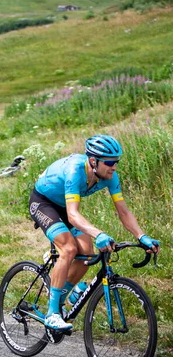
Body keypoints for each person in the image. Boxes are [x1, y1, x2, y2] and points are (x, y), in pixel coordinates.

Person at [28, 134, 160, 331]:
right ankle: (52, 313)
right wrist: (99, 233)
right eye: (109, 162)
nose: (114, 167)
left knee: (87, 253)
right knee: (69, 248)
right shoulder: (75, 170)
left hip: (64, 206)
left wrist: (141, 236)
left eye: (116, 162)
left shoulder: (109, 177)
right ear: (93, 161)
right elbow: (73, 215)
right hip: (43, 202)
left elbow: (123, 211)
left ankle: (61, 298)